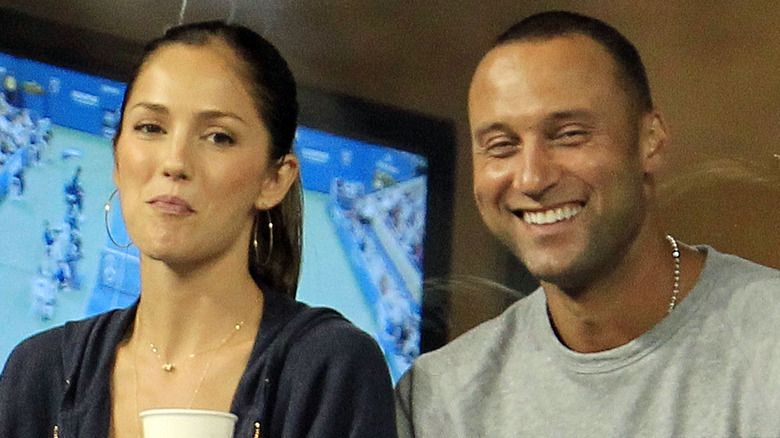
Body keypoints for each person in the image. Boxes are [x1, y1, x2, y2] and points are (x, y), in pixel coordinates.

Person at [0, 21, 396, 438]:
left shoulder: (327, 371)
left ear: (275, 179)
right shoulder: (38, 374)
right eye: (150, 127)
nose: (175, 161)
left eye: (218, 137)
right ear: (117, 158)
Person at [395, 10, 780, 437]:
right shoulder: (441, 398)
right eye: (501, 146)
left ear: (650, 140)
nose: (532, 178)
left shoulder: (767, 342)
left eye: (569, 135)